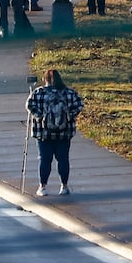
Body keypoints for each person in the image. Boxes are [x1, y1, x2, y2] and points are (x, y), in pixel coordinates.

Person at [26, 68, 85, 196]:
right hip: (64, 133)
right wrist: (70, 116)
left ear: (45, 79)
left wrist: (40, 116)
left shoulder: (39, 93)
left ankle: (43, 187)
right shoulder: (69, 93)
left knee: (44, 160)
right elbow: (79, 105)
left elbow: (29, 105)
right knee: (63, 159)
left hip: (43, 134)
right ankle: (64, 186)